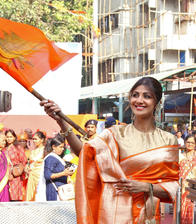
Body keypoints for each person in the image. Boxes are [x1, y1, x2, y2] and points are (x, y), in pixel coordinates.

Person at [41, 76, 179, 223]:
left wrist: (145, 187)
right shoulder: (115, 134)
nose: (139, 100)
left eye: (147, 96)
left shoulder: (169, 140)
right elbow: (85, 153)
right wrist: (61, 121)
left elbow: (173, 187)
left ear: (157, 102)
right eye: (135, 95)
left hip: (154, 216)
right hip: (118, 214)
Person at [36, 135, 74, 201]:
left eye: (63, 147)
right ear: (53, 147)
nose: (62, 149)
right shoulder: (50, 158)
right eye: (60, 147)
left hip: (60, 190)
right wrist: (63, 173)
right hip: (54, 191)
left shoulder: (56, 157)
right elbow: (47, 175)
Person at [180, 134, 196, 224]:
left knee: (194, 215)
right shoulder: (179, 157)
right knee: (181, 214)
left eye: (192, 143)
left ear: (195, 145)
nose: (190, 144)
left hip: (194, 190)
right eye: (188, 142)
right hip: (181, 190)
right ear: (184, 143)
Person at [4, 129, 27, 201]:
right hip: (5, 175)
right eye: (7, 137)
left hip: (15, 175)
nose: (9, 139)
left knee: (14, 197)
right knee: (5, 196)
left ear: (14, 138)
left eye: (10, 137)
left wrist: (16, 173)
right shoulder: (3, 149)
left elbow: (23, 162)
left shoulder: (18, 148)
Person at [25, 131, 46, 201]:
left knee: (39, 193)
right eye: (33, 139)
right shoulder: (33, 151)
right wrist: (27, 166)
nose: (34, 141)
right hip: (31, 175)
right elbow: (29, 162)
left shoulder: (45, 150)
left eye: (36, 139)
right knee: (31, 195)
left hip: (39, 175)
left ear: (42, 140)